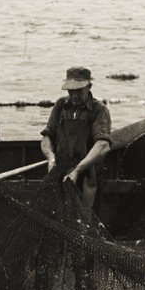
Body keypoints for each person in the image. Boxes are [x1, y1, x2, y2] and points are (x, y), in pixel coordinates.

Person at [40, 66, 112, 213]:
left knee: (83, 219)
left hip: (86, 173)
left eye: (78, 91)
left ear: (89, 86)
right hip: (60, 170)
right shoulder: (60, 105)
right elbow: (47, 136)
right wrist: (50, 157)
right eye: (70, 91)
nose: (73, 95)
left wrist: (77, 170)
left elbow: (103, 145)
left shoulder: (99, 110)